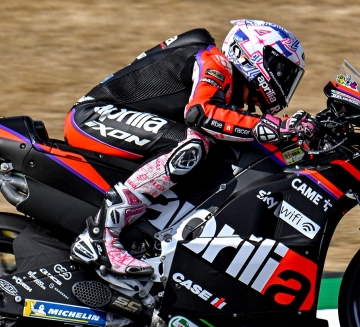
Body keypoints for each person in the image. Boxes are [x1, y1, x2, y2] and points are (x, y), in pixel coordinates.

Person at [67, 19, 317, 276]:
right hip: (93, 116)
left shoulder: (225, 81)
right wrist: (276, 126)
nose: (283, 81)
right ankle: (100, 236)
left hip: (109, 117)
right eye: (280, 70)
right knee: (192, 145)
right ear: (251, 53)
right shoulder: (214, 61)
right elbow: (202, 113)